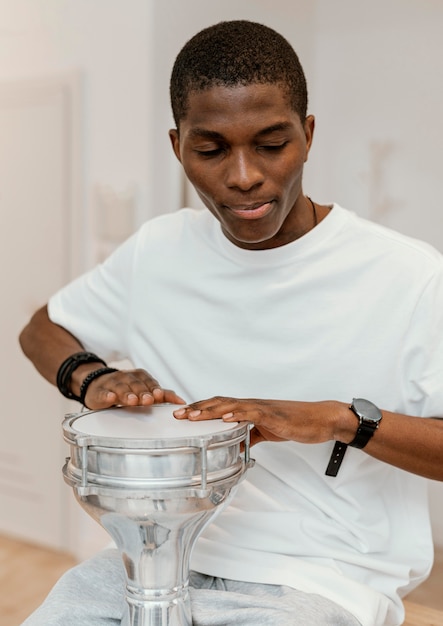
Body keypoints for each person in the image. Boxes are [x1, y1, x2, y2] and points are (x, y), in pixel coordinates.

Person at [18, 19, 443, 626]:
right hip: (154, 552)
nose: (243, 176)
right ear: (177, 146)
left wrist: (336, 420)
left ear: (308, 134)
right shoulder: (157, 250)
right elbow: (41, 328)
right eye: (211, 149)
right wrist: (89, 377)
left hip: (318, 575)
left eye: (272, 144)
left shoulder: (409, 275)